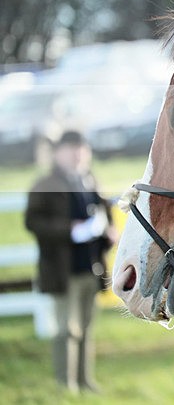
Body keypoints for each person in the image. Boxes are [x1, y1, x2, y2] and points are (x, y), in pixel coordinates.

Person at [24, 130, 117, 393]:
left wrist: (109, 233)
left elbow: (104, 215)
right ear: (58, 153)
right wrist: (69, 230)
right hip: (63, 269)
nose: (77, 154)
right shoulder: (45, 183)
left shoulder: (90, 180)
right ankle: (66, 385)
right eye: (71, 149)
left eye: (81, 149)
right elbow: (33, 221)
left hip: (91, 267)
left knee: (86, 329)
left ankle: (85, 380)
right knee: (67, 329)